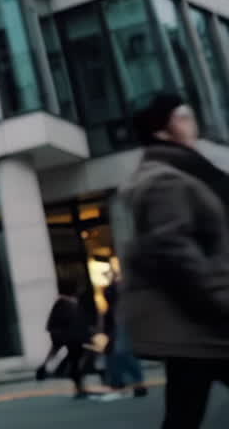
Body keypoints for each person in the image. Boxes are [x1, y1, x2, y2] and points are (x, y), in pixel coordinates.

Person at [120, 93, 229, 429]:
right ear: (161, 130)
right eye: (183, 116)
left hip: (195, 326)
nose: (192, 122)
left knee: (183, 414)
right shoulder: (164, 180)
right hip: (199, 322)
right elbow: (173, 252)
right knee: (183, 412)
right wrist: (221, 302)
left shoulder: (187, 171)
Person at [36, 280, 91, 398]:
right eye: (79, 288)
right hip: (71, 338)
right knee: (76, 362)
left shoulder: (68, 303)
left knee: (75, 361)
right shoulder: (64, 304)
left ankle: (79, 387)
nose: (81, 290)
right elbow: (70, 322)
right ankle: (79, 388)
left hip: (71, 338)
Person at [101, 276, 146, 398]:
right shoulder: (118, 305)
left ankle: (128, 384)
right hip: (117, 332)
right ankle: (124, 383)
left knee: (122, 356)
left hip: (119, 331)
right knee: (121, 357)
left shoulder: (120, 305)